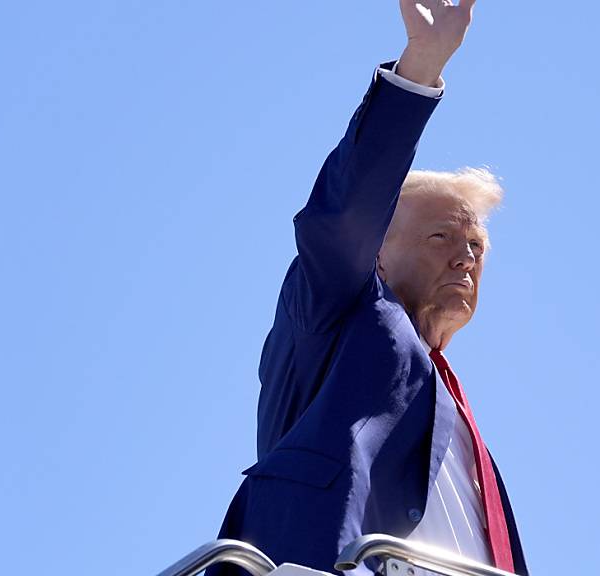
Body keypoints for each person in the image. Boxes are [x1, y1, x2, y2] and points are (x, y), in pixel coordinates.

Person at [208, 2, 528, 574]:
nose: (465, 255)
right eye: (441, 235)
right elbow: (344, 214)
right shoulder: (342, 313)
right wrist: (421, 68)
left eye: (476, 246)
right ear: (376, 250)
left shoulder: (449, 409)